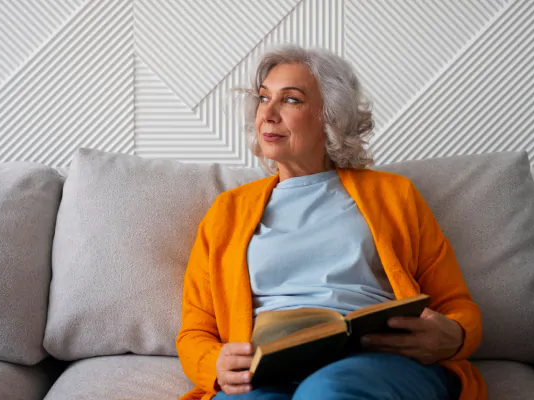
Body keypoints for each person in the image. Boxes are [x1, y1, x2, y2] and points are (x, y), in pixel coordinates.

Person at [176, 44, 486, 400]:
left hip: (373, 360)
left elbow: (455, 303)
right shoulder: (227, 212)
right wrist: (214, 363)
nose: (268, 114)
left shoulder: (394, 195)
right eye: (264, 98)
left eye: (291, 100)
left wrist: (455, 334)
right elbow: (195, 330)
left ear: (330, 117)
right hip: (268, 366)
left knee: (328, 391)